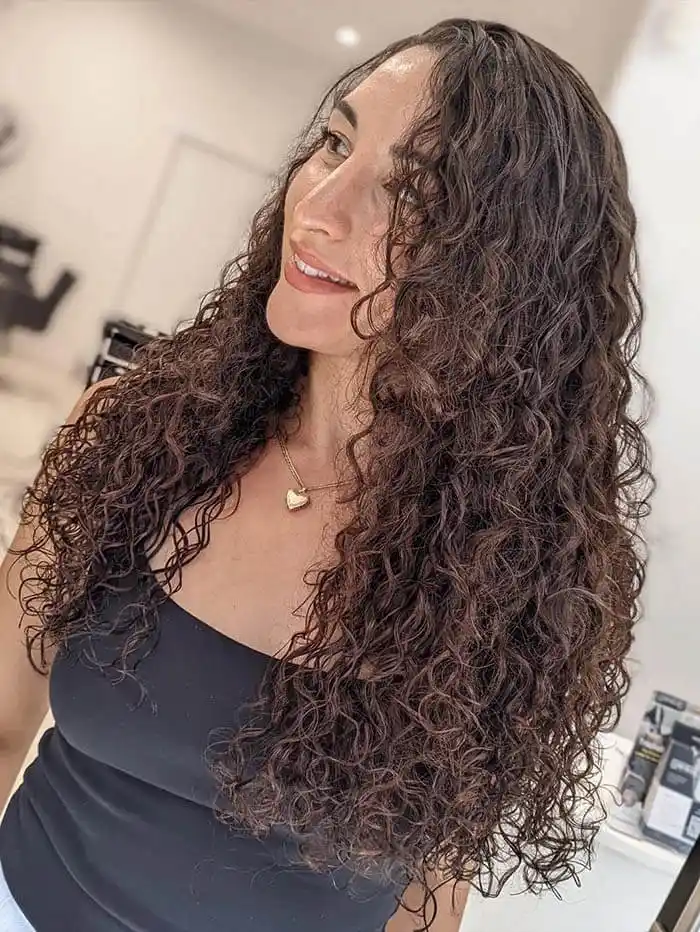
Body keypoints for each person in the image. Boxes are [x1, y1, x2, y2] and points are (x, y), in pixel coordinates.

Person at [0, 18, 651, 932]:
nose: (321, 207)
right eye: (334, 143)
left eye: (413, 191)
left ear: (506, 279)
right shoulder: (132, 438)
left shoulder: (520, 582)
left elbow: (425, 907)